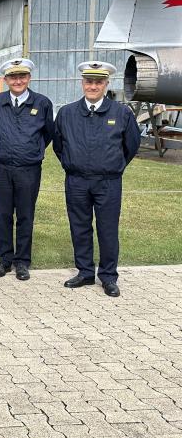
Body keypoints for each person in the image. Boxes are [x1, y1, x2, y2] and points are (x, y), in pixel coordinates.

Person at [53, 61, 140, 297]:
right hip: (77, 181)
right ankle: (84, 272)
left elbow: (131, 146)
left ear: (106, 84)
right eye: (89, 81)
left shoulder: (121, 113)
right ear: (82, 83)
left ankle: (109, 277)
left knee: (107, 230)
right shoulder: (67, 113)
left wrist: (114, 166)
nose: (93, 86)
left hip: (108, 182)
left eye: (98, 82)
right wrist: (73, 164)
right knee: (79, 228)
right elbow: (59, 146)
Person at [0, 59, 54, 281]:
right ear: (5, 80)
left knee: (25, 215)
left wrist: (30, 151)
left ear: (29, 78)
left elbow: (47, 134)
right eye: (13, 77)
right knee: (3, 215)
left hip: (28, 169)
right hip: (1, 169)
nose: (18, 81)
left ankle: (22, 261)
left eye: (22, 76)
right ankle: (5, 259)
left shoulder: (42, 103)